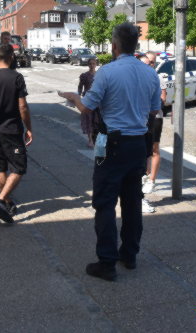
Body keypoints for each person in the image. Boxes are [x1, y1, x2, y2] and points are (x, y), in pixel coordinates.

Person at [59, 23, 161, 282]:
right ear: (136, 45)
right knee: (132, 201)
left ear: (114, 46)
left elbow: (87, 107)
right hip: (138, 144)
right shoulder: (150, 73)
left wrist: (73, 96)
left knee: (104, 203)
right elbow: (153, 110)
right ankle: (129, 255)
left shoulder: (107, 72)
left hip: (113, 144)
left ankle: (107, 262)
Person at [0, 43, 33, 223]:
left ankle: (6, 202)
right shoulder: (16, 77)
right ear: (12, 57)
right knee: (19, 167)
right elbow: (22, 106)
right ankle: (1, 200)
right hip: (11, 129)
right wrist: (29, 128)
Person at [140, 52, 167, 198]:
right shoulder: (136, 78)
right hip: (140, 118)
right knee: (143, 149)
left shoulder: (157, 77)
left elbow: (163, 96)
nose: (151, 65)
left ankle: (152, 180)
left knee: (154, 148)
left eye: (153, 63)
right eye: (149, 62)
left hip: (155, 116)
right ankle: (145, 174)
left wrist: (155, 103)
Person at [78, 58, 99, 148]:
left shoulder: (99, 75)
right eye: (90, 64)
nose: (92, 65)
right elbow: (80, 87)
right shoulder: (84, 75)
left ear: (96, 64)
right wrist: (78, 97)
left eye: (93, 63)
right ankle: (90, 140)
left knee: (97, 120)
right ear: (88, 65)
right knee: (89, 119)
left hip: (98, 100)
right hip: (87, 100)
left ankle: (96, 139)